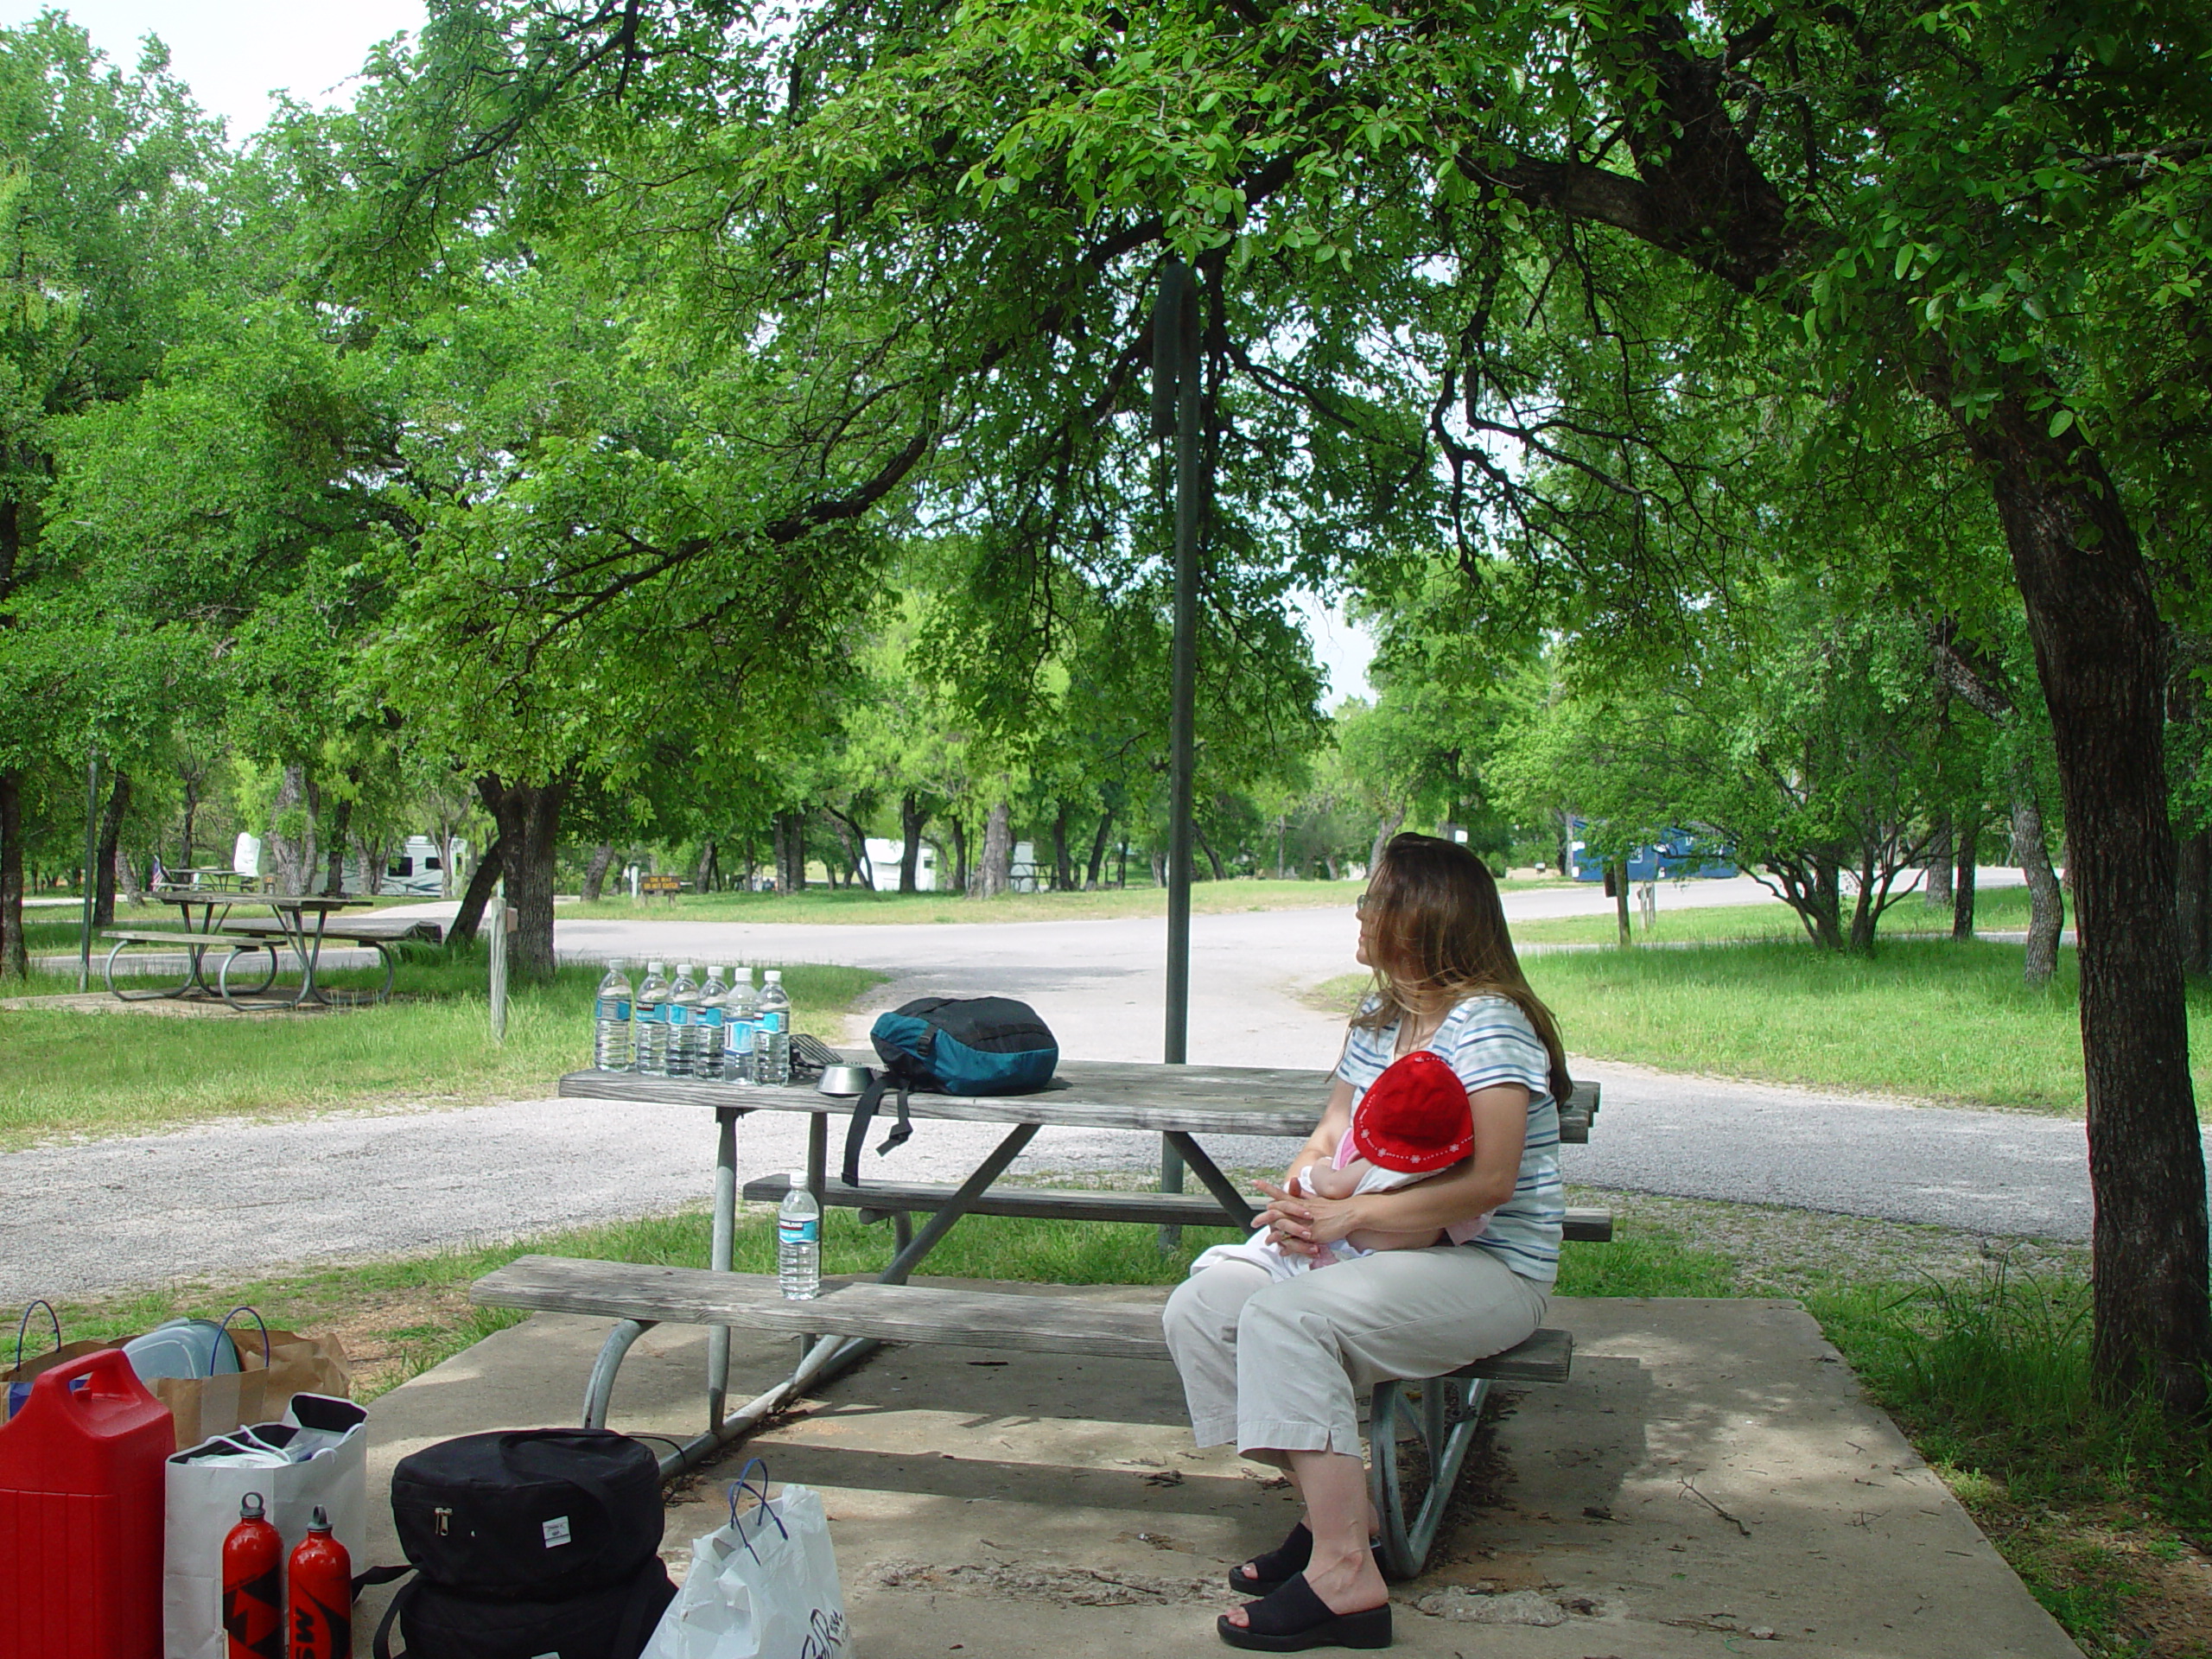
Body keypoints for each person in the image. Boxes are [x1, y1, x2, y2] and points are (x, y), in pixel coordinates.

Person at [1161, 832, 1572, 1651]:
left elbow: (1489, 1184)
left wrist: (1347, 1220)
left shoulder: (1488, 1024)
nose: (1360, 910)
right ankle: (1348, 1519)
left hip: (1481, 1264)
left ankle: (1346, 1575)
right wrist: (1307, 1191)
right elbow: (1331, 1131)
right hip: (1374, 1251)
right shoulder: (1383, 1019)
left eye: (1374, 897)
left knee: (1289, 1321)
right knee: (1203, 1309)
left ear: (1421, 919)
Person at [1185, 1048, 1487, 1282]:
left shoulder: (1373, 1164)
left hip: (1358, 1248)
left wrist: (1323, 1165)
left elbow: (1331, 1185)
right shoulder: (1440, 1166)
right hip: (1409, 1251)